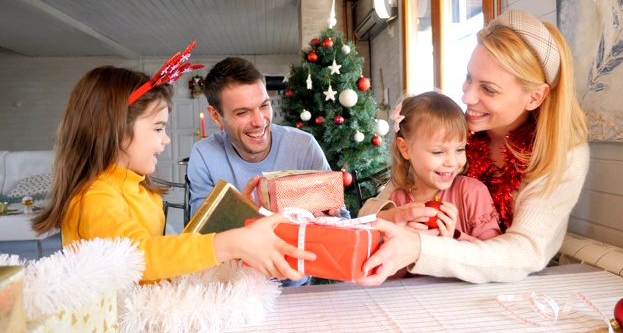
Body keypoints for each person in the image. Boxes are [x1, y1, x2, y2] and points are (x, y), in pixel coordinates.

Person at [32, 45, 315, 284]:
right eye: (157, 128)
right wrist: (233, 242)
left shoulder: (140, 190)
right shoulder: (94, 198)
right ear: (114, 130)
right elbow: (141, 257)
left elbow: (176, 252)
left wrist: (234, 212)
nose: (166, 140)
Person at [356, 9, 589, 285]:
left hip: (516, 292)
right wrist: (390, 214)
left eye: (488, 89)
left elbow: (525, 254)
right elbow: (373, 208)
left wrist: (420, 247)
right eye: (469, 77)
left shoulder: (563, 155)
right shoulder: (454, 132)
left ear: (535, 96)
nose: (466, 96)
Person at [187, 57, 347, 286]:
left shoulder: (303, 145)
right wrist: (241, 215)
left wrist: (329, 221)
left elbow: (342, 223)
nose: (259, 121)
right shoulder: (204, 155)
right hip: (234, 287)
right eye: (242, 112)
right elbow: (200, 241)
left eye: (264, 105)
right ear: (215, 116)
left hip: (295, 287)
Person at [384, 91, 501, 243]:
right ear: (406, 149)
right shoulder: (398, 200)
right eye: (438, 152)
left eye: (460, 149)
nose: (452, 162)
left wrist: (454, 238)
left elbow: (492, 257)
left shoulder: (472, 193)